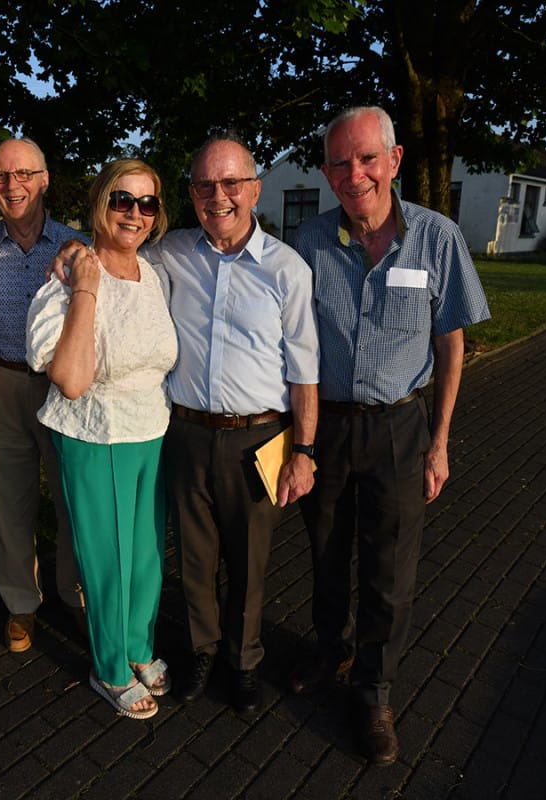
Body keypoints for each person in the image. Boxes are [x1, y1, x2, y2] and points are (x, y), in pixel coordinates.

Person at [289, 106, 490, 766]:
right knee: (325, 551)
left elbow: (452, 345)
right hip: (326, 424)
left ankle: (374, 692)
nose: (355, 174)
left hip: (402, 426)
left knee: (390, 568)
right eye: (340, 163)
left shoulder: (437, 238)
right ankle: (331, 651)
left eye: (368, 158)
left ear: (395, 160)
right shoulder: (309, 242)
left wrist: (440, 441)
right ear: (326, 174)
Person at [156, 135, 319, 714]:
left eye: (230, 183)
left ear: (254, 189)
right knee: (194, 558)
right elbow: (114, 250)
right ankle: (203, 650)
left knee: (249, 562)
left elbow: (305, 372)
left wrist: (305, 452)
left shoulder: (287, 269)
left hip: (259, 437)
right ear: (191, 193)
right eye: (204, 185)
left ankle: (244, 660)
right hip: (186, 432)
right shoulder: (171, 252)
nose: (217, 196)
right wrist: (74, 252)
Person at [26, 159, 178, 719]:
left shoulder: (153, 273)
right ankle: (110, 667)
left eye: (147, 203)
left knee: (145, 557)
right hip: (97, 432)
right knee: (108, 561)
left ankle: (138, 646)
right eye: (122, 199)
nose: (135, 213)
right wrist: (87, 288)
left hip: (151, 430)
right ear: (99, 203)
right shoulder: (70, 277)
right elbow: (69, 380)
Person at [0, 138, 90, 653]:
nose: (11, 185)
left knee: (72, 497)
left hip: (61, 387)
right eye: (0, 176)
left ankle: (76, 594)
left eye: (23, 174)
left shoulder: (75, 246)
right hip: (2, 382)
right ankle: (21, 602)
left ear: (44, 180)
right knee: (9, 499)